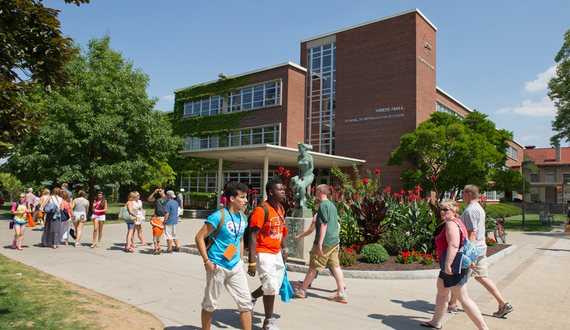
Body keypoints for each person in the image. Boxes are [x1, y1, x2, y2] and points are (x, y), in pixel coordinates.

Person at [420, 199, 488, 330]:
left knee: (464, 298)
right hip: (454, 263)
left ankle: (483, 328)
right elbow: (465, 241)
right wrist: (468, 261)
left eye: (446, 209)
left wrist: (448, 265)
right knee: (441, 290)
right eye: (441, 209)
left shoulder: (451, 224)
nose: (442, 211)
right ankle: (435, 321)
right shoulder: (458, 222)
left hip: (452, 265)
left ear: (454, 211)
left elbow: (454, 244)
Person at [447, 185, 514, 318]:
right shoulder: (479, 208)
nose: (462, 195)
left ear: (469, 194)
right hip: (480, 248)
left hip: (472, 250)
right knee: (481, 277)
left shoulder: (471, 211)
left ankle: (452, 305)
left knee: (457, 277)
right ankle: (503, 304)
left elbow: (472, 233)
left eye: (463, 192)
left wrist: (468, 255)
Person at [195, 181, 252, 330]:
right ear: (232, 198)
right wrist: (207, 261)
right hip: (217, 266)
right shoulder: (218, 216)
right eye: (243, 197)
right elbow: (199, 237)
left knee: (246, 303)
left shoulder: (243, 218)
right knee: (210, 304)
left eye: (246, 197)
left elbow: (240, 240)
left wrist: (240, 259)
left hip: (235, 266)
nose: (246, 200)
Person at [293, 184, 347, 303]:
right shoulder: (332, 205)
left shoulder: (323, 205)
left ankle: (302, 290)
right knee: (336, 266)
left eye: (316, 191)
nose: (315, 193)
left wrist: (320, 244)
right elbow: (337, 224)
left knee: (313, 266)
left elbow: (323, 224)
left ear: (321, 191)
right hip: (334, 242)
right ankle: (341, 293)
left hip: (325, 242)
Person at [247, 179, 288, 330]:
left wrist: (284, 249)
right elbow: (252, 236)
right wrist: (251, 262)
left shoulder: (280, 208)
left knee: (274, 285)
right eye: (280, 189)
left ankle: (251, 297)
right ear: (271, 192)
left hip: (276, 252)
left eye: (283, 189)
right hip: (263, 253)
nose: (283, 191)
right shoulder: (261, 210)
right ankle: (269, 321)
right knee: (270, 286)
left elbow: (281, 230)